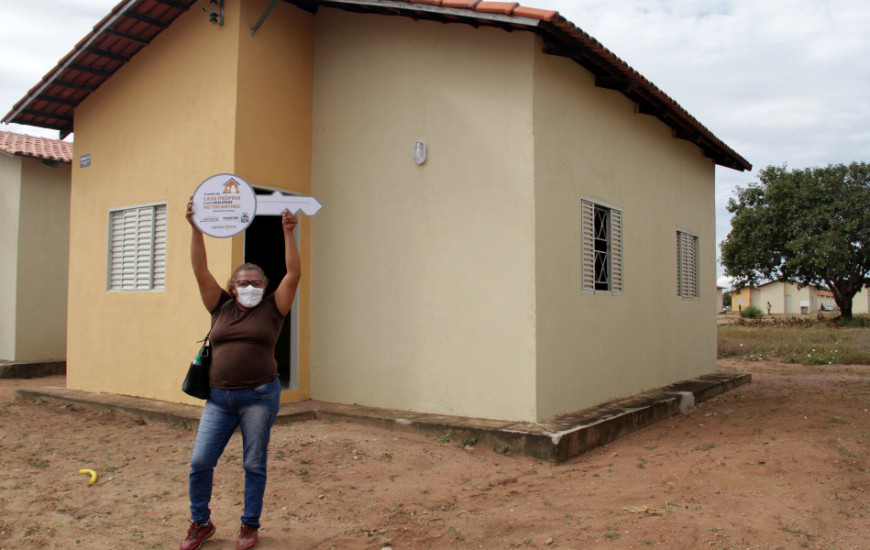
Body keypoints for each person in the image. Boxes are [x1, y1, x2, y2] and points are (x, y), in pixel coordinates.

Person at [181, 198, 301, 550]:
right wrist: (196, 229)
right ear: (233, 287)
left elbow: (293, 273)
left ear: (265, 285)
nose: (250, 287)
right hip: (218, 398)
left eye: (256, 282)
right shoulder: (219, 306)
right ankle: (200, 523)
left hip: (259, 398)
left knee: (253, 462)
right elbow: (200, 269)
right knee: (201, 461)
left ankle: (249, 525)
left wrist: (288, 232)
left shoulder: (273, 308)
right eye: (244, 282)